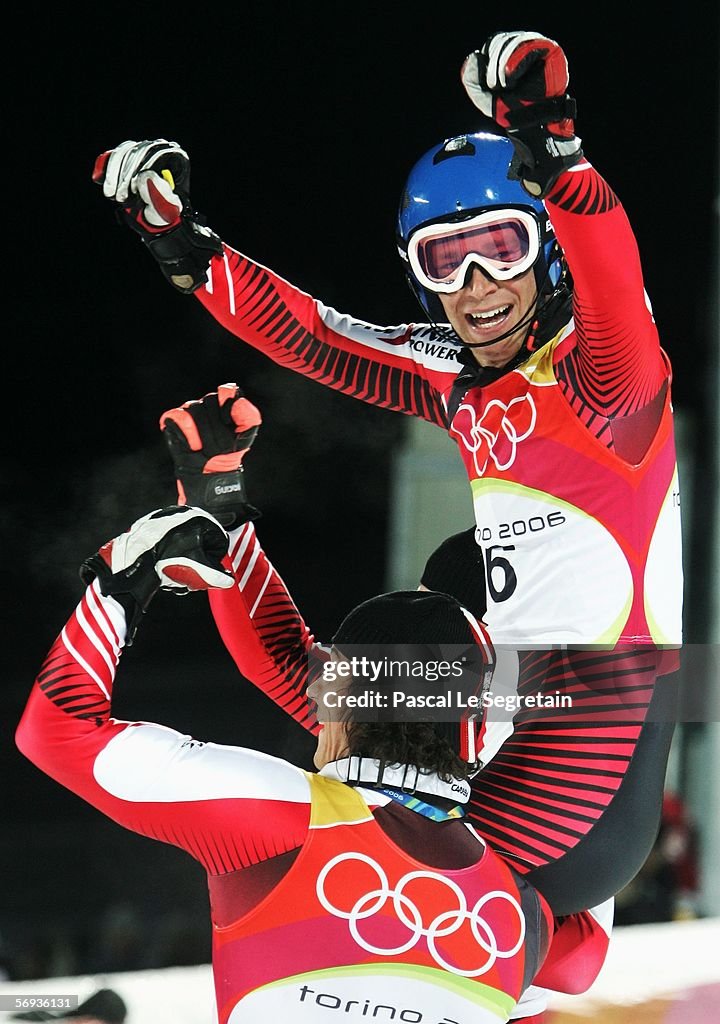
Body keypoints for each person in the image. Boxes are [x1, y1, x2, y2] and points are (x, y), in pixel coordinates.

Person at [93, 32, 683, 909]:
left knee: (314, 849)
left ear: (549, 249)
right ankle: (556, 950)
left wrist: (555, 144)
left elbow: (613, 274)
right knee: (366, 696)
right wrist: (180, 242)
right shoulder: (459, 382)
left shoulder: (609, 380)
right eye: (445, 259)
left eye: (501, 247)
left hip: (584, 780)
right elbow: (316, 338)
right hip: (552, 766)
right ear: (418, 273)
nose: (476, 284)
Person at [159, 383, 615, 1022]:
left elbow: (581, 957)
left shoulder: (544, 739)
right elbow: (284, 659)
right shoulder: (444, 712)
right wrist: (221, 506)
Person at [16, 505, 560, 1024]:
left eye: (329, 673)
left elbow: (58, 732)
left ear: (351, 697)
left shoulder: (284, 818)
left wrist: (119, 585)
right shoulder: (525, 911)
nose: (314, 686)